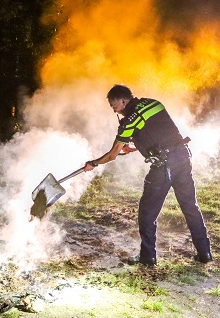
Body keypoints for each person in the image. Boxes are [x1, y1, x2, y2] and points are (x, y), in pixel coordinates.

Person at [84, 84, 213, 266]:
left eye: (114, 105)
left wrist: (94, 163)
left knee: (147, 213)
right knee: (190, 206)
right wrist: (137, 146)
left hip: (164, 167)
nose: (113, 110)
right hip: (182, 157)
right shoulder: (153, 103)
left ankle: (148, 257)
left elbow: (113, 155)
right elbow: (158, 133)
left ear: (122, 101)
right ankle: (205, 253)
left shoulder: (129, 121)